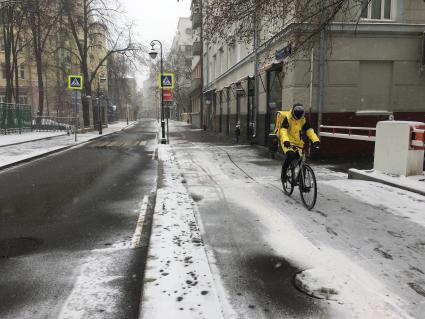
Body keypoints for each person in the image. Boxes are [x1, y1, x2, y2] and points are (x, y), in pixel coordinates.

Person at [276, 103, 321, 182]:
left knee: (303, 161)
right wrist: (286, 140)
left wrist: (315, 140)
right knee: (291, 154)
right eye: (297, 112)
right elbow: (283, 130)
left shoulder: (303, 119)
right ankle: (283, 175)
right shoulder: (287, 118)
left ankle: (301, 181)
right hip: (287, 142)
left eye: (301, 112)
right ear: (293, 111)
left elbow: (309, 130)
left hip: (299, 143)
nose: (299, 115)